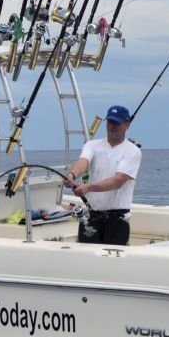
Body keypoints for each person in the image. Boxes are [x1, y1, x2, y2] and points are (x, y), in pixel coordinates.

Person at [64, 104, 141, 246]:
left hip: (118, 219)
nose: (112, 126)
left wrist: (88, 187)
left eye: (117, 123)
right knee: (86, 257)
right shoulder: (92, 145)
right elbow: (83, 161)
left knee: (114, 263)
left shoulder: (133, 151)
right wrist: (72, 175)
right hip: (91, 216)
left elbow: (118, 180)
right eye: (110, 122)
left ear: (127, 125)